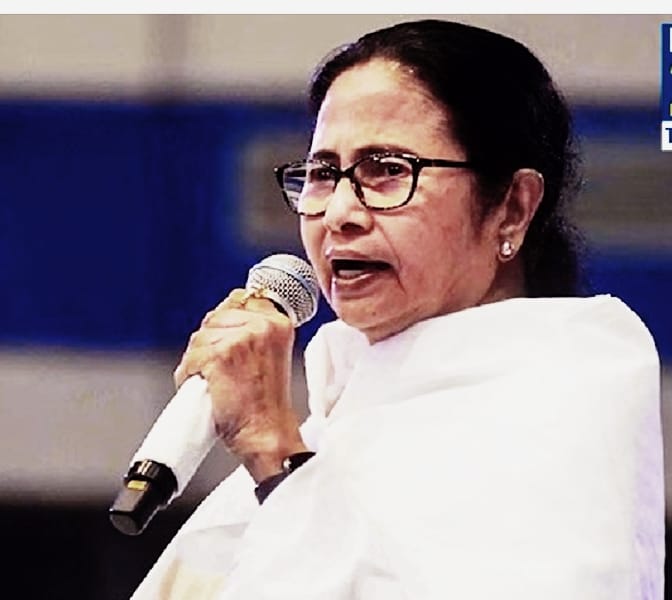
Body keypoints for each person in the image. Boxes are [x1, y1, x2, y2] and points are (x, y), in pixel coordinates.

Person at [131, 19, 664, 599]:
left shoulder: (568, 392)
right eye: (323, 174)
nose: (339, 213)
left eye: (387, 170)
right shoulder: (339, 414)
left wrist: (270, 446)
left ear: (512, 207)